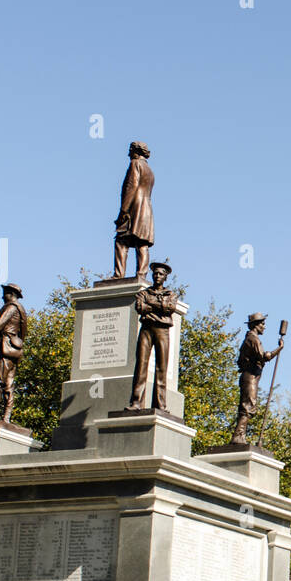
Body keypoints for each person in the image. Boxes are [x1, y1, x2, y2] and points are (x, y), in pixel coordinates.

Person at [127, 261, 181, 411]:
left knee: (161, 368)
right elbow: (139, 307)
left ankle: (160, 405)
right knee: (141, 366)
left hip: (162, 331)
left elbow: (169, 308)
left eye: (161, 274)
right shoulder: (143, 293)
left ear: (165, 278)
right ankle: (136, 402)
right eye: (155, 273)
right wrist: (159, 305)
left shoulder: (170, 294)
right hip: (146, 329)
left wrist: (151, 305)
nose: (157, 276)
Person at [229, 313, 284, 444]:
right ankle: (237, 436)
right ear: (255, 325)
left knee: (248, 407)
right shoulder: (253, 339)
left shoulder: (252, 339)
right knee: (248, 406)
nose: (264, 327)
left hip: (252, 376)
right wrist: (279, 348)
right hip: (250, 376)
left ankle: (241, 436)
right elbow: (265, 356)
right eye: (262, 324)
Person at [0, 283, 27, 423]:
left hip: (7, 350)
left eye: (5, 293)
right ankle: (6, 417)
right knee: (9, 385)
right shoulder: (21, 310)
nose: (2, 297)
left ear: (11, 294)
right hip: (15, 351)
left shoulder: (11, 307)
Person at [113, 141, 155, 281]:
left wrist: (123, 211)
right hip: (146, 209)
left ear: (136, 151)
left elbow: (131, 188)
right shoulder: (149, 171)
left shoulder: (135, 164)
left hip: (134, 208)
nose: (128, 153)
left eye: (130, 150)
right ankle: (141, 274)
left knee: (121, 240)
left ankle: (119, 275)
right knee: (142, 243)